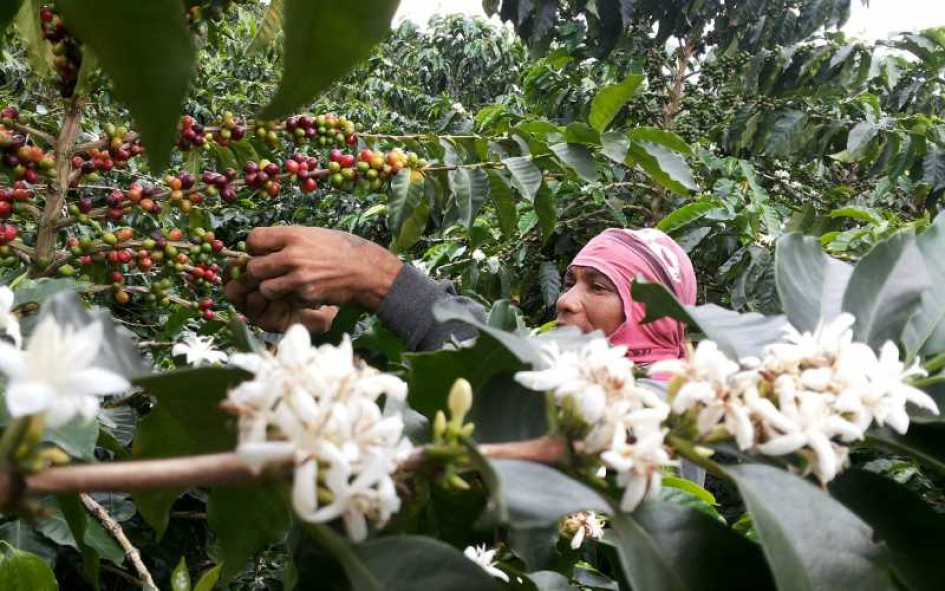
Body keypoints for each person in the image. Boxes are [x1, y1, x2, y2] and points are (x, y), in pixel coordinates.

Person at [223, 226, 697, 370]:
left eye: (598, 287)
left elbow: (504, 378)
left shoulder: (665, 415)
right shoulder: (559, 360)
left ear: (654, 317)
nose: (565, 301)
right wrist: (332, 328)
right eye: (571, 282)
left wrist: (379, 277)